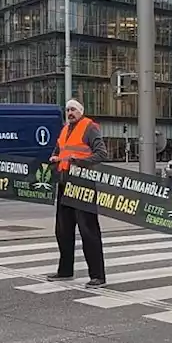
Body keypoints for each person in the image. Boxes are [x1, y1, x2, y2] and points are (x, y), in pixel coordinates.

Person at [47, 98, 109, 287]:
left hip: (83, 185)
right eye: (67, 110)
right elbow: (58, 151)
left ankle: (97, 275)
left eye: (73, 109)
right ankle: (65, 270)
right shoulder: (65, 130)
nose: (70, 112)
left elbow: (101, 153)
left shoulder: (89, 127)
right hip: (65, 184)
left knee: (88, 231)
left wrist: (79, 161)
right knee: (63, 231)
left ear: (80, 111)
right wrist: (54, 158)